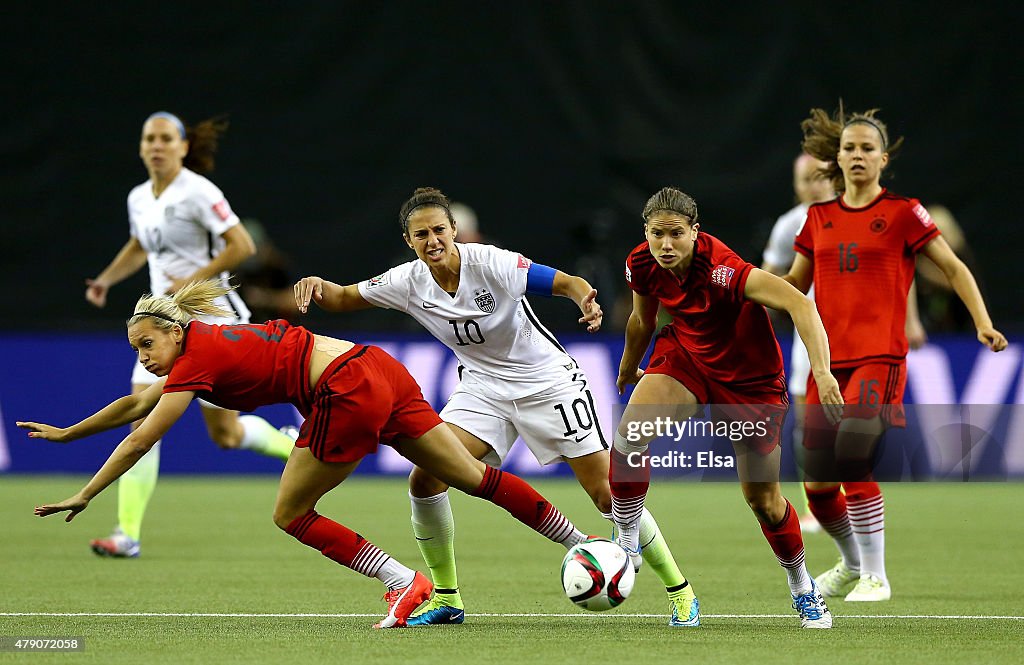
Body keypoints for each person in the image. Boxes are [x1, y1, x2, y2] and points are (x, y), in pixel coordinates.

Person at [21, 280, 590, 629]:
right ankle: (582, 543)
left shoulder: (195, 358)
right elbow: (133, 405)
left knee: (290, 513)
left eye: (148, 344)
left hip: (344, 391)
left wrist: (87, 492)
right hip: (379, 367)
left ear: (175, 332)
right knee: (471, 475)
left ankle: (402, 583)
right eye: (134, 349)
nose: (143, 357)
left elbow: (142, 435)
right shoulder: (201, 346)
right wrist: (70, 434)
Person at [293, 187, 699, 628]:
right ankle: (446, 596)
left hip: (548, 384)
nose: (432, 241)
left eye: (439, 230)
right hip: (483, 391)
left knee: (609, 494)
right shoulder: (406, 280)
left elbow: (564, 282)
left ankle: (681, 592)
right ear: (409, 241)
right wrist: (318, 285)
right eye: (421, 234)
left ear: (455, 231)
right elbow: (342, 298)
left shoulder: (490, 262)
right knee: (426, 479)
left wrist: (585, 298)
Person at [787, 106, 1007, 602]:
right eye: (850, 148)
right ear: (837, 159)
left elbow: (953, 268)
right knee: (818, 486)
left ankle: (876, 576)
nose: (858, 155)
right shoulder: (817, 219)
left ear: (883, 159)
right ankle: (848, 565)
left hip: (879, 359)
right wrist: (742, 297)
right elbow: (794, 289)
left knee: (852, 456)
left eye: (868, 149)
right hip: (826, 365)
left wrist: (982, 321)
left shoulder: (905, 213)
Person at [610, 186, 844, 629]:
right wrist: (627, 367)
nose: (666, 244)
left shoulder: (723, 269)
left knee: (763, 500)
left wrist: (823, 371)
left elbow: (799, 303)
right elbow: (643, 318)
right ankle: (626, 545)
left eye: (676, 234)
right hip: (689, 358)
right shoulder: (641, 262)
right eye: (657, 234)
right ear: (646, 232)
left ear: (695, 232)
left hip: (750, 380)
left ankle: (802, 587)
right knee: (629, 439)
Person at [82, 112, 296, 559]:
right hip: (162, 326)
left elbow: (242, 245)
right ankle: (127, 534)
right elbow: (140, 245)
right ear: (141, 148)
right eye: (149, 139)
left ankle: (293, 447)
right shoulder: (139, 197)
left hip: (212, 321)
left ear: (182, 147)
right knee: (143, 418)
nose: (156, 146)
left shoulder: (198, 191)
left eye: (165, 138)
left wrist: (191, 282)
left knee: (226, 435)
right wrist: (105, 278)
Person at [762, 153, 838, 534]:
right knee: (808, 420)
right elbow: (770, 277)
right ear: (796, 185)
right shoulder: (789, 226)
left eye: (820, 176)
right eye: (805, 179)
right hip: (808, 332)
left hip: (851, 329)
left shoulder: (849, 216)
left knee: (855, 422)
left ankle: (854, 504)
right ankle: (816, 508)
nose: (814, 185)